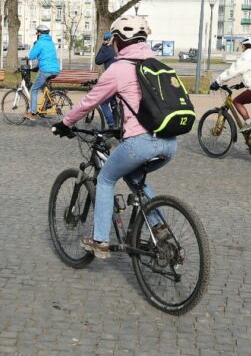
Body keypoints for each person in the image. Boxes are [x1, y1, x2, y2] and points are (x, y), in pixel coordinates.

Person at [50, 15, 175, 259]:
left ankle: (100, 241)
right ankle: (159, 227)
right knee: (135, 176)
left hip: (142, 143)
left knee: (106, 178)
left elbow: (89, 101)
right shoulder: (156, 63)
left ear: (118, 41)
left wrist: (65, 123)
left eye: (114, 41)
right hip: (169, 142)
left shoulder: (119, 68)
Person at [209, 34, 251, 141]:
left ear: (246, 45)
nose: (243, 47)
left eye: (243, 45)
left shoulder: (246, 55)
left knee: (237, 102)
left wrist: (218, 82)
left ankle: (248, 123)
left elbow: (233, 71)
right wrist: (241, 84)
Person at [24, 24, 60, 121]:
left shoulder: (40, 42)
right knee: (43, 85)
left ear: (39, 33)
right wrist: (37, 67)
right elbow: (46, 57)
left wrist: (35, 45)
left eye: (37, 32)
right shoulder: (51, 42)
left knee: (34, 90)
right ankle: (49, 101)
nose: (36, 34)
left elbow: (31, 56)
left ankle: (33, 113)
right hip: (55, 70)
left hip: (46, 70)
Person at [93, 32, 118, 128]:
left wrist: (103, 47)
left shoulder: (108, 49)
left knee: (103, 102)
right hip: (124, 80)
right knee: (114, 102)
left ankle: (111, 125)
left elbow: (98, 61)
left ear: (108, 40)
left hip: (113, 81)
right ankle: (118, 121)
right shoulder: (121, 49)